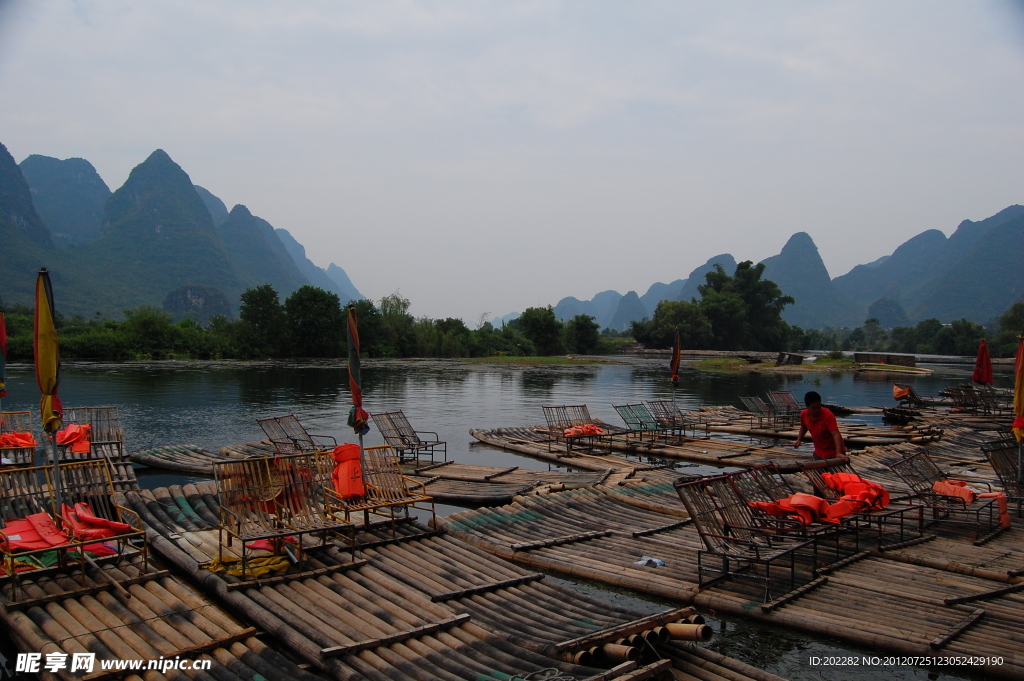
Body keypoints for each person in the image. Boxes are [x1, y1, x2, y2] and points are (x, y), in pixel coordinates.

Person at [793, 391, 846, 459]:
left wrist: (838, 453)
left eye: (818, 407)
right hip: (819, 452)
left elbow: (836, 435)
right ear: (807, 406)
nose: (817, 410)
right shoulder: (803, 414)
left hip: (834, 453)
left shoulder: (828, 415)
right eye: (814, 408)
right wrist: (799, 440)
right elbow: (803, 427)